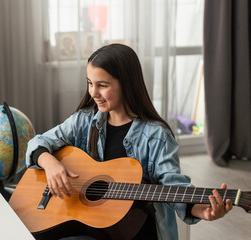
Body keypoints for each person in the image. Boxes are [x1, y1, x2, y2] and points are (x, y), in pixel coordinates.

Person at [25, 44, 232, 239]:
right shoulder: (84, 121)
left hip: (135, 231)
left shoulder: (156, 136)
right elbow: (39, 142)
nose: (93, 93)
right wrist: (50, 164)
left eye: (102, 85)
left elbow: (173, 187)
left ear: (126, 84)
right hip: (91, 223)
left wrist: (203, 211)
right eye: (90, 83)